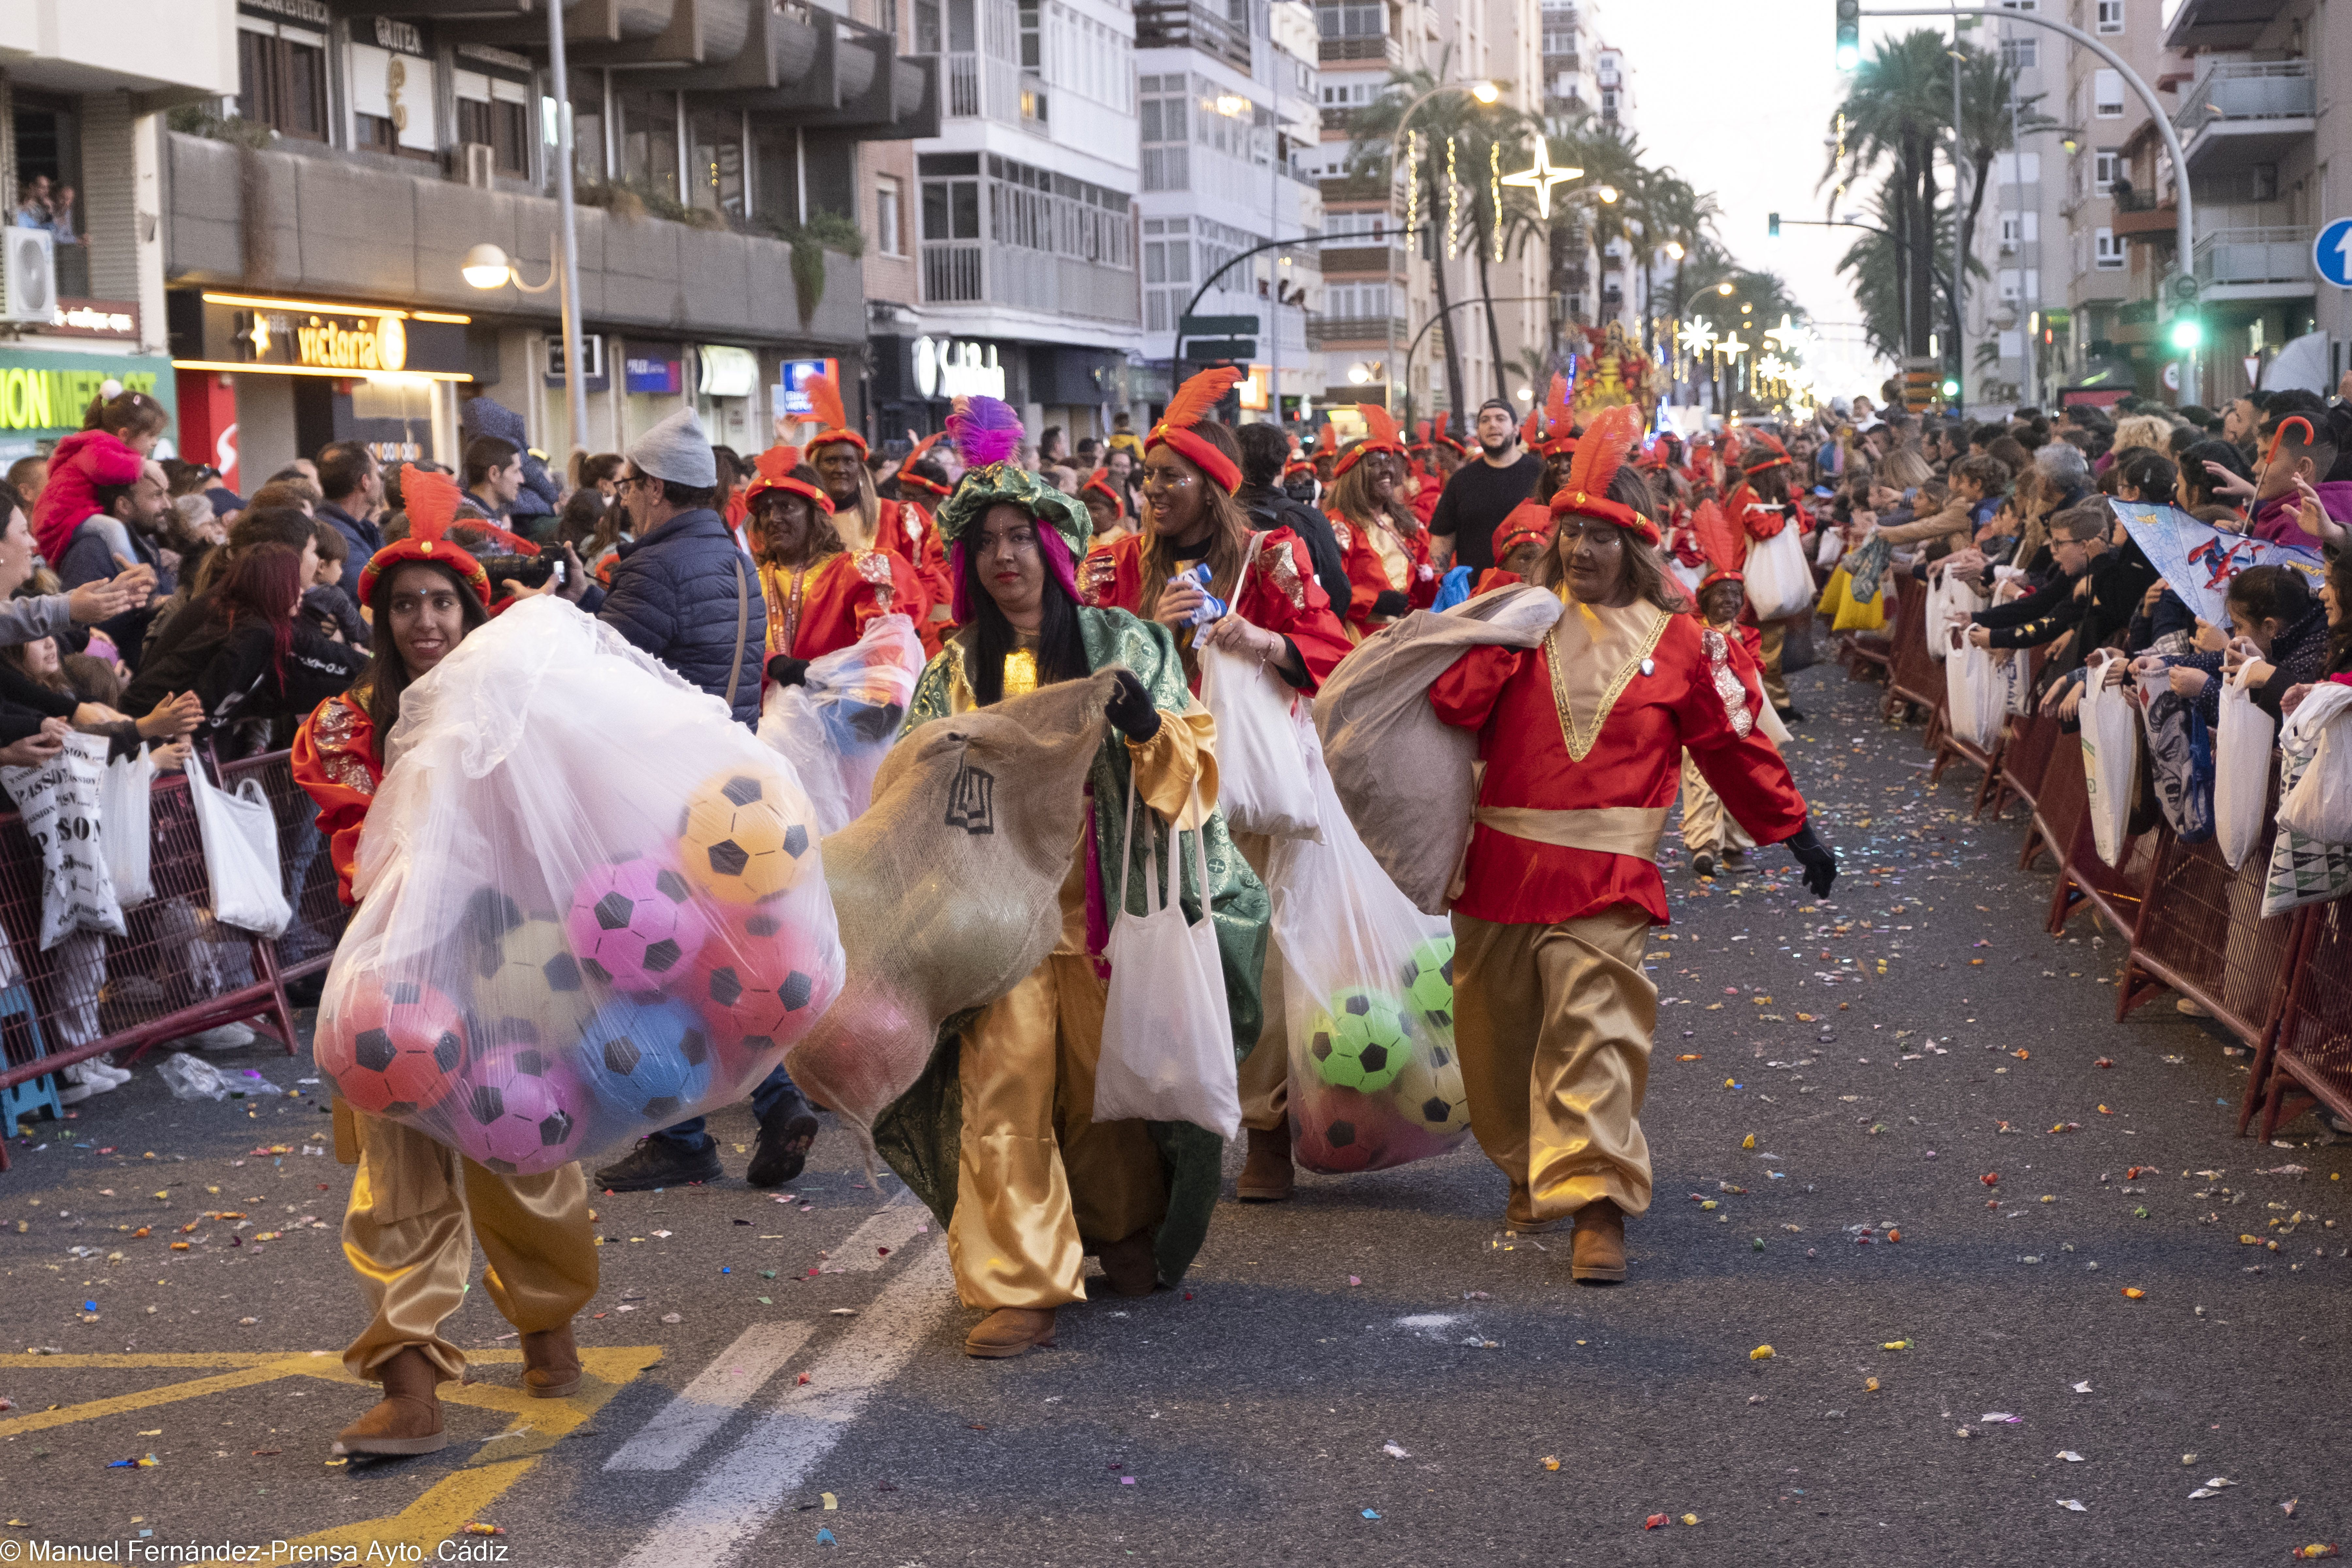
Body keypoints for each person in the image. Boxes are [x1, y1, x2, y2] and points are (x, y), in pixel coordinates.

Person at [884, 395, 1267, 1357]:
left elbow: (1194, 769)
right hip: (994, 914)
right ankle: (1022, 1281)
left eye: (1020, 537)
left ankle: (1123, 1231)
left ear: (1052, 550)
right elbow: (914, 793)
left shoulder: (1124, 643)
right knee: (1006, 1084)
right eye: (987, 543)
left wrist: (1144, 726)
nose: (1004, 556)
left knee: (1104, 1086)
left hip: (1105, 906)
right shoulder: (950, 672)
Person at [1419, 405, 1835, 1282]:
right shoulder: (1517, 617)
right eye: (1571, 533)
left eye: (1602, 538)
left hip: (1608, 874)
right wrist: (1505, 635)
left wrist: (1794, 830)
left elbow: (1729, 745)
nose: (1582, 552)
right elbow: (1453, 709)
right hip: (1499, 869)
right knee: (1497, 1039)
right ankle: (1534, 1162)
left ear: (1636, 548)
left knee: (1596, 1028)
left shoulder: (1680, 642)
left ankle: (1597, 1200)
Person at [291, 533, 596, 1459]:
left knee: (528, 1156)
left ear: (472, 615)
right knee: (398, 1184)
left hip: (512, 966)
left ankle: (550, 1336)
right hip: (396, 981)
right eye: (407, 606)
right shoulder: (345, 724)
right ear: (382, 622)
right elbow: (366, 848)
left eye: (443, 604)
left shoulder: (518, 711)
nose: (425, 622)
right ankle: (410, 1385)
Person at [1080, 374, 1348, 1204]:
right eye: (1148, 475)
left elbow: (1331, 646)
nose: (1155, 489)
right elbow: (1087, 656)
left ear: (1215, 485)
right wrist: (1155, 634)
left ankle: (1267, 1127)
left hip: (1248, 788)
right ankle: (1164, 1125)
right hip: (1146, 783)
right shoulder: (1114, 559)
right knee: (1150, 946)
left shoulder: (1271, 555)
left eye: (1173, 476)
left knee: (1254, 955)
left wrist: (1257, 637)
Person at [122, 543, 366, 757]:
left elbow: (316, 652)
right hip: (143, 730)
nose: (301, 593)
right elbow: (204, 699)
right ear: (275, 586)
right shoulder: (254, 632)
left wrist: (373, 668)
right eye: (294, 584)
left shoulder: (256, 624)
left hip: (161, 730)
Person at [747, 448, 921, 684]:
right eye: (765, 511)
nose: (773, 519)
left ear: (814, 514)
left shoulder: (856, 573)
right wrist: (773, 664)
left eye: (786, 507)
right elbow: (730, 649)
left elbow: (885, 654)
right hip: (759, 719)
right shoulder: (747, 583)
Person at [798, 373, 948, 642]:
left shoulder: (898, 517)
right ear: (816, 468)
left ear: (860, 467)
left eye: (848, 461)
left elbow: (923, 579)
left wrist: (905, 628)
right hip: (818, 644)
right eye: (830, 461)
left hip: (888, 643)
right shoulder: (802, 521)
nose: (840, 469)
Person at [1325, 405, 1437, 636]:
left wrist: (1443, 585)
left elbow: (1424, 580)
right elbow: (1330, 587)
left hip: (1407, 632)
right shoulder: (1338, 526)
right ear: (1354, 475)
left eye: (1388, 463)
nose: (1387, 471)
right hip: (1360, 637)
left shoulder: (1409, 525)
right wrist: (1372, 602)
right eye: (1376, 464)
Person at [32, 390, 170, 572]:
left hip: (68, 518)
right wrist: (143, 466)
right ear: (124, 434)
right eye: (151, 436)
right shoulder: (97, 445)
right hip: (60, 521)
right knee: (113, 528)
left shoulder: (100, 445)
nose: (155, 443)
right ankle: (135, 575)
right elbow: (105, 467)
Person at [1231, 421, 1351, 616]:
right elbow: (1337, 594)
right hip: (1294, 638)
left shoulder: (1214, 517)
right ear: (1281, 468)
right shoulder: (1308, 519)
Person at [1429, 398, 1542, 578]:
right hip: (1475, 594)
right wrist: (1440, 585)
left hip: (1530, 592)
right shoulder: (1461, 481)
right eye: (1485, 420)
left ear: (1516, 428)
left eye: (1501, 419)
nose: (1492, 425)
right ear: (1478, 432)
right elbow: (1442, 541)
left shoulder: (1540, 474)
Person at [316, 441, 385, 619]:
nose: (381, 481)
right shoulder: (338, 537)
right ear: (365, 482)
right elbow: (374, 597)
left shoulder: (360, 529)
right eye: (377, 474)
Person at [463, 436, 525, 523]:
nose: (522, 480)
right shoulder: (477, 528)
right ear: (494, 474)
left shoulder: (467, 513)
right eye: (515, 471)